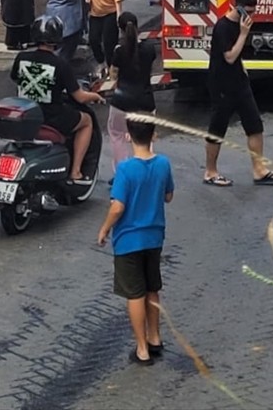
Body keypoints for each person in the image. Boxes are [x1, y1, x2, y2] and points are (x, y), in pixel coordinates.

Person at [97, 117, 174, 366]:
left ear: (128, 136)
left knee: (135, 294)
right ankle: (155, 338)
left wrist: (105, 228)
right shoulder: (163, 163)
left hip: (129, 240)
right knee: (152, 288)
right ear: (154, 135)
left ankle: (141, 349)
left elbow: (117, 207)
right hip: (154, 237)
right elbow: (169, 196)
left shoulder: (126, 170)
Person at [203, 0, 273, 187]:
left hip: (239, 81)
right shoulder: (223, 27)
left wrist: (244, 69)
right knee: (217, 128)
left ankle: (259, 170)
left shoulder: (241, 24)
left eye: (253, 12)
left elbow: (238, 58)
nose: (251, 16)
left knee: (254, 124)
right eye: (249, 11)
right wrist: (244, 33)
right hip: (221, 84)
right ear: (238, 8)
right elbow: (229, 56)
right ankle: (210, 171)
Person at [11, 17, 104, 187]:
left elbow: (16, 79)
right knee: (87, 121)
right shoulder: (60, 64)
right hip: (51, 117)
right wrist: (95, 96)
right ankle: (76, 171)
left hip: (26, 115)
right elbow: (79, 97)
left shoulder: (21, 58)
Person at [106, 11, 158, 171]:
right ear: (137, 27)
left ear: (121, 30)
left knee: (117, 135)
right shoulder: (149, 49)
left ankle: (121, 173)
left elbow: (113, 75)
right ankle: (146, 171)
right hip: (145, 102)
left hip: (121, 102)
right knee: (145, 139)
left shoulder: (119, 51)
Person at [88, 0, 123, 79]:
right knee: (93, 40)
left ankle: (111, 68)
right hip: (95, 14)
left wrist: (119, 15)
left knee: (109, 44)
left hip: (109, 13)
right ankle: (101, 62)